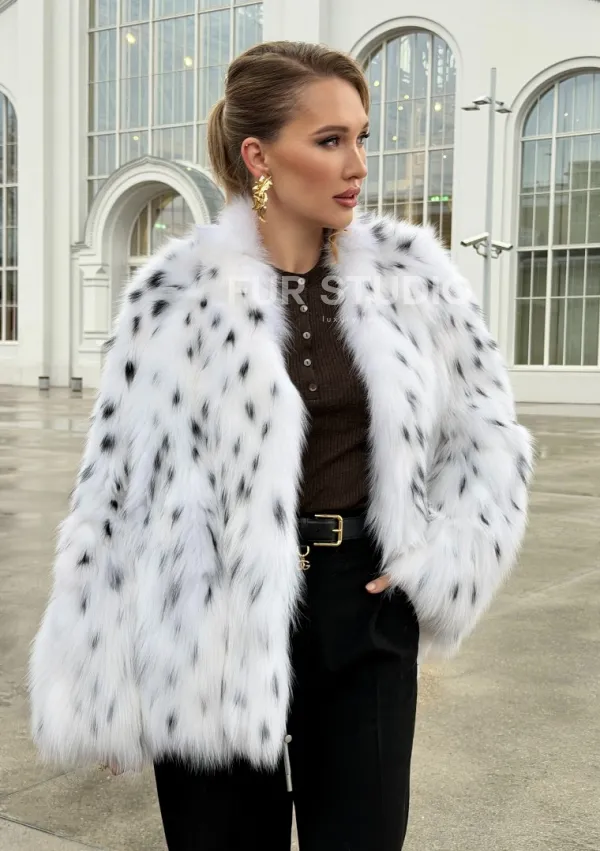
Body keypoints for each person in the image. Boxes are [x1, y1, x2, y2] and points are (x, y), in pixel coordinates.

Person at [29, 41, 533, 851]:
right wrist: (103, 676)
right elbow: (116, 492)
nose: (357, 164)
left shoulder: (413, 282)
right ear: (259, 156)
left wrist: (438, 559)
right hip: (210, 619)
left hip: (363, 607)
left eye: (361, 136)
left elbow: (488, 440)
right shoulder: (176, 297)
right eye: (330, 140)